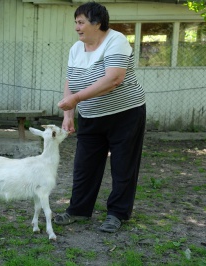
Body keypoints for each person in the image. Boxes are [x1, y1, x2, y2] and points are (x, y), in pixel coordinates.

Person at [55, 2, 146, 233]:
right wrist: (69, 115)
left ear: (97, 23)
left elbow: (113, 79)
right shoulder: (76, 48)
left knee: (123, 166)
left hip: (124, 114)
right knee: (84, 166)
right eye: (75, 22)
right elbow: (70, 82)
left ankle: (117, 214)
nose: (76, 27)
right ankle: (78, 210)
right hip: (91, 116)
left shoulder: (116, 40)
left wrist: (76, 100)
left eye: (81, 22)